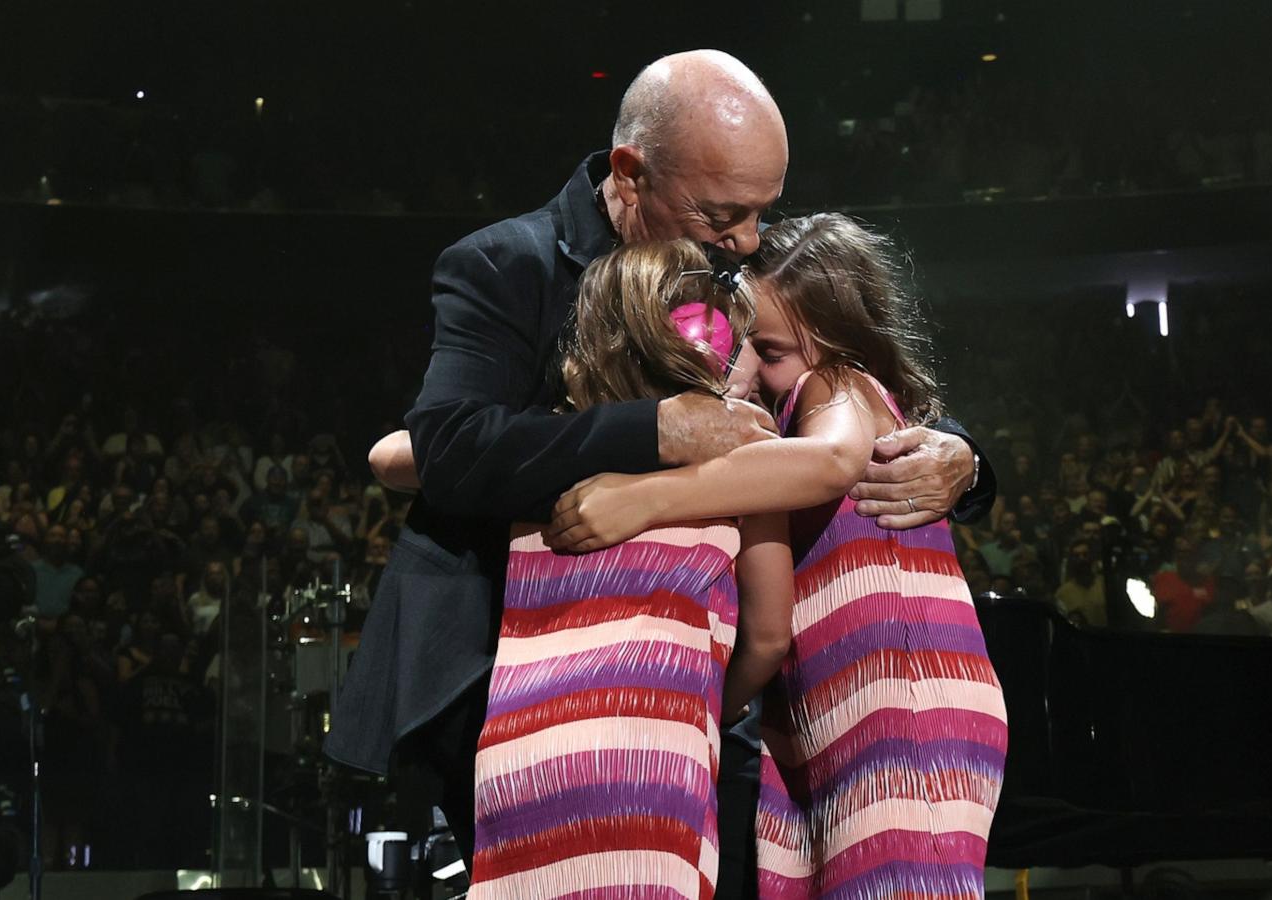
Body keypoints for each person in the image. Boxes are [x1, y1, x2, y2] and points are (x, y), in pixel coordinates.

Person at [326, 49, 995, 893]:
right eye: (726, 212)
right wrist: (654, 432)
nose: (748, 240)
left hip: (709, 694)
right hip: (515, 684)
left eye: (763, 213)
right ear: (631, 174)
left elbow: (847, 356)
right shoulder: (509, 266)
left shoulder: (727, 250)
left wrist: (962, 455)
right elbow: (450, 447)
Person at [544, 214, 1006, 896]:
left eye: (773, 348)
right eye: (747, 342)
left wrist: (641, 499)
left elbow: (832, 459)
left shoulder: (834, 385)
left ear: (840, 341)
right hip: (821, 719)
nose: (753, 366)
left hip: (899, 707)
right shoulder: (776, 419)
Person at [468, 240, 795, 897]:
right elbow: (769, 636)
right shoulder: (746, 445)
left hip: (518, 751)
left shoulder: (541, 445)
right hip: (648, 750)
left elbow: (397, 454)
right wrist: (704, 707)